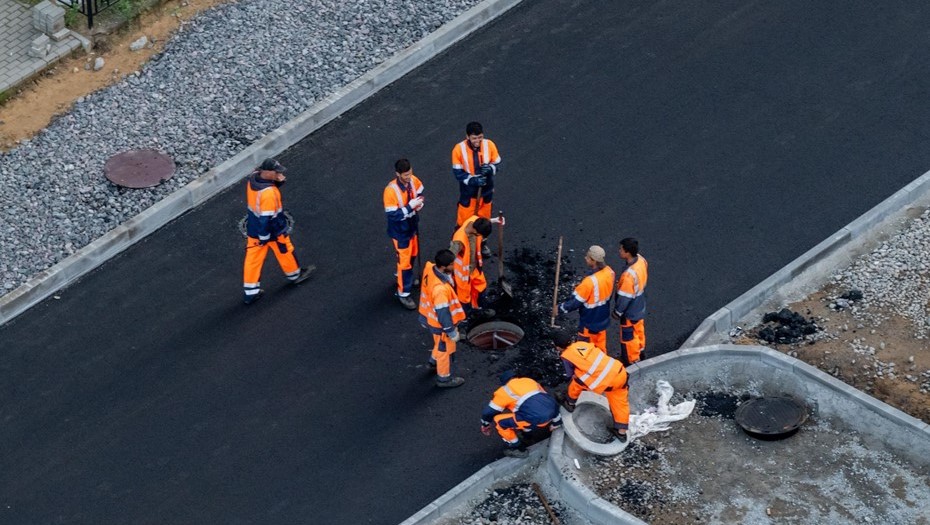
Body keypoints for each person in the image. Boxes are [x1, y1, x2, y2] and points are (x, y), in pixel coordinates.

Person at [242, 158, 312, 304]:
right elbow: (266, 218)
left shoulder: (253, 179)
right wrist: (265, 237)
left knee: (253, 259)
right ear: (267, 172)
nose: (279, 173)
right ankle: (295, 275)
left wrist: (278, 182)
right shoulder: (269, 194)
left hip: (253, 230)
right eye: (276, 171)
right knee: (285, 250)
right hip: (273, 231)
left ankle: (250, 292)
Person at [553, 330, 629, 442]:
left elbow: (570, 374)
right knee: (620, 403)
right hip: (620, 373)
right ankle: (621, 432)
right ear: (572, 340)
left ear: (558, 347)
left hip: (606, 382)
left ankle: (569, 403)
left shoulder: (567, 356)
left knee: (577, 380)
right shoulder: (583, 345)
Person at [480, 370, 562, 458]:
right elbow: (545, 399)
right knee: (525, 411)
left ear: (504, 383)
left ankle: (518, 448)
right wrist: (557, 422)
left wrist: (485, 424)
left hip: (535, 419)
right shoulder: (528, 381)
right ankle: (527, 435)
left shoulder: (504, 391)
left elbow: (488, 412)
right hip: (554, 413)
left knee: (499, 422)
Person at [451, 122, 502, 258]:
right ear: (467, 136)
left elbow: (497, 163)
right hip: (469, 195)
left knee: (484, 222)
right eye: (474, 138)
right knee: (463, 222)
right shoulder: (458, 149)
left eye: (480, 137)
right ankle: (457, 247)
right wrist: (473, 180)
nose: (477, 141)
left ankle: (481, 245)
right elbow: (458, 172)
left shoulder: (489, 145)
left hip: (486, 194)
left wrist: (491, 169)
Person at [418, 250, 466, 388]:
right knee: (445, 351)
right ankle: (444, 379)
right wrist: (451, 332)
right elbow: (443, 314)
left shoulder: (430, 268)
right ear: (443, 266)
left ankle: (432, 362)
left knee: (438, 343)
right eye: (452, 264)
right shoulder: (440, 290)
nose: (454, 266)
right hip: (440, 325)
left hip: (428, 317)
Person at [383, 158, 425, 310]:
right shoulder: (390, 191)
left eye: (410, 173)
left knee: (413, 255)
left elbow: (420, 191)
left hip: (412, 226)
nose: (408, 177)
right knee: (405, 263)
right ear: (397, 174)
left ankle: (406, 279)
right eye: (405, 175)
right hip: (400, 232)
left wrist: (420, 201)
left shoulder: (413, 180)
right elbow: (393, 215)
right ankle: (403, 293)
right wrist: (410, 207)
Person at [558, 245, 615, 351]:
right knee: (600, 347)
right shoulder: (610, 272)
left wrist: (560, 308)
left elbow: (575, 303)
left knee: (585, 351)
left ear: (593, 261)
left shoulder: (589, 282)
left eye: (588, 257)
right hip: (602, 319)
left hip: (589, 322)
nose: (585, 258)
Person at [449, 215, 503, 319]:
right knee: (464, 298)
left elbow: (483, 221)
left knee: (481, 287)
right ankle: (464, 319)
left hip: (474, 268)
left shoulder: (474, 220)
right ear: (476, 231)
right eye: (481, 236)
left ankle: (481, 308)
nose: (481, 238)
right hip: (463, 275)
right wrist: (447, 277)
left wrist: (495, 220)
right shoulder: (459, 241)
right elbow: (449, 257)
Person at [612, 237, 648, 365]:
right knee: (639, 330)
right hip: (639, 305)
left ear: (627, 252)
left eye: (621, 249)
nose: (619, 251)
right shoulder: (641, 260)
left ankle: (631, 360)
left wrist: (617, 312)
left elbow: (624, 298)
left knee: (628, 337)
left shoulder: (628, 276)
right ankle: (641, 351)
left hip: (630, 310)